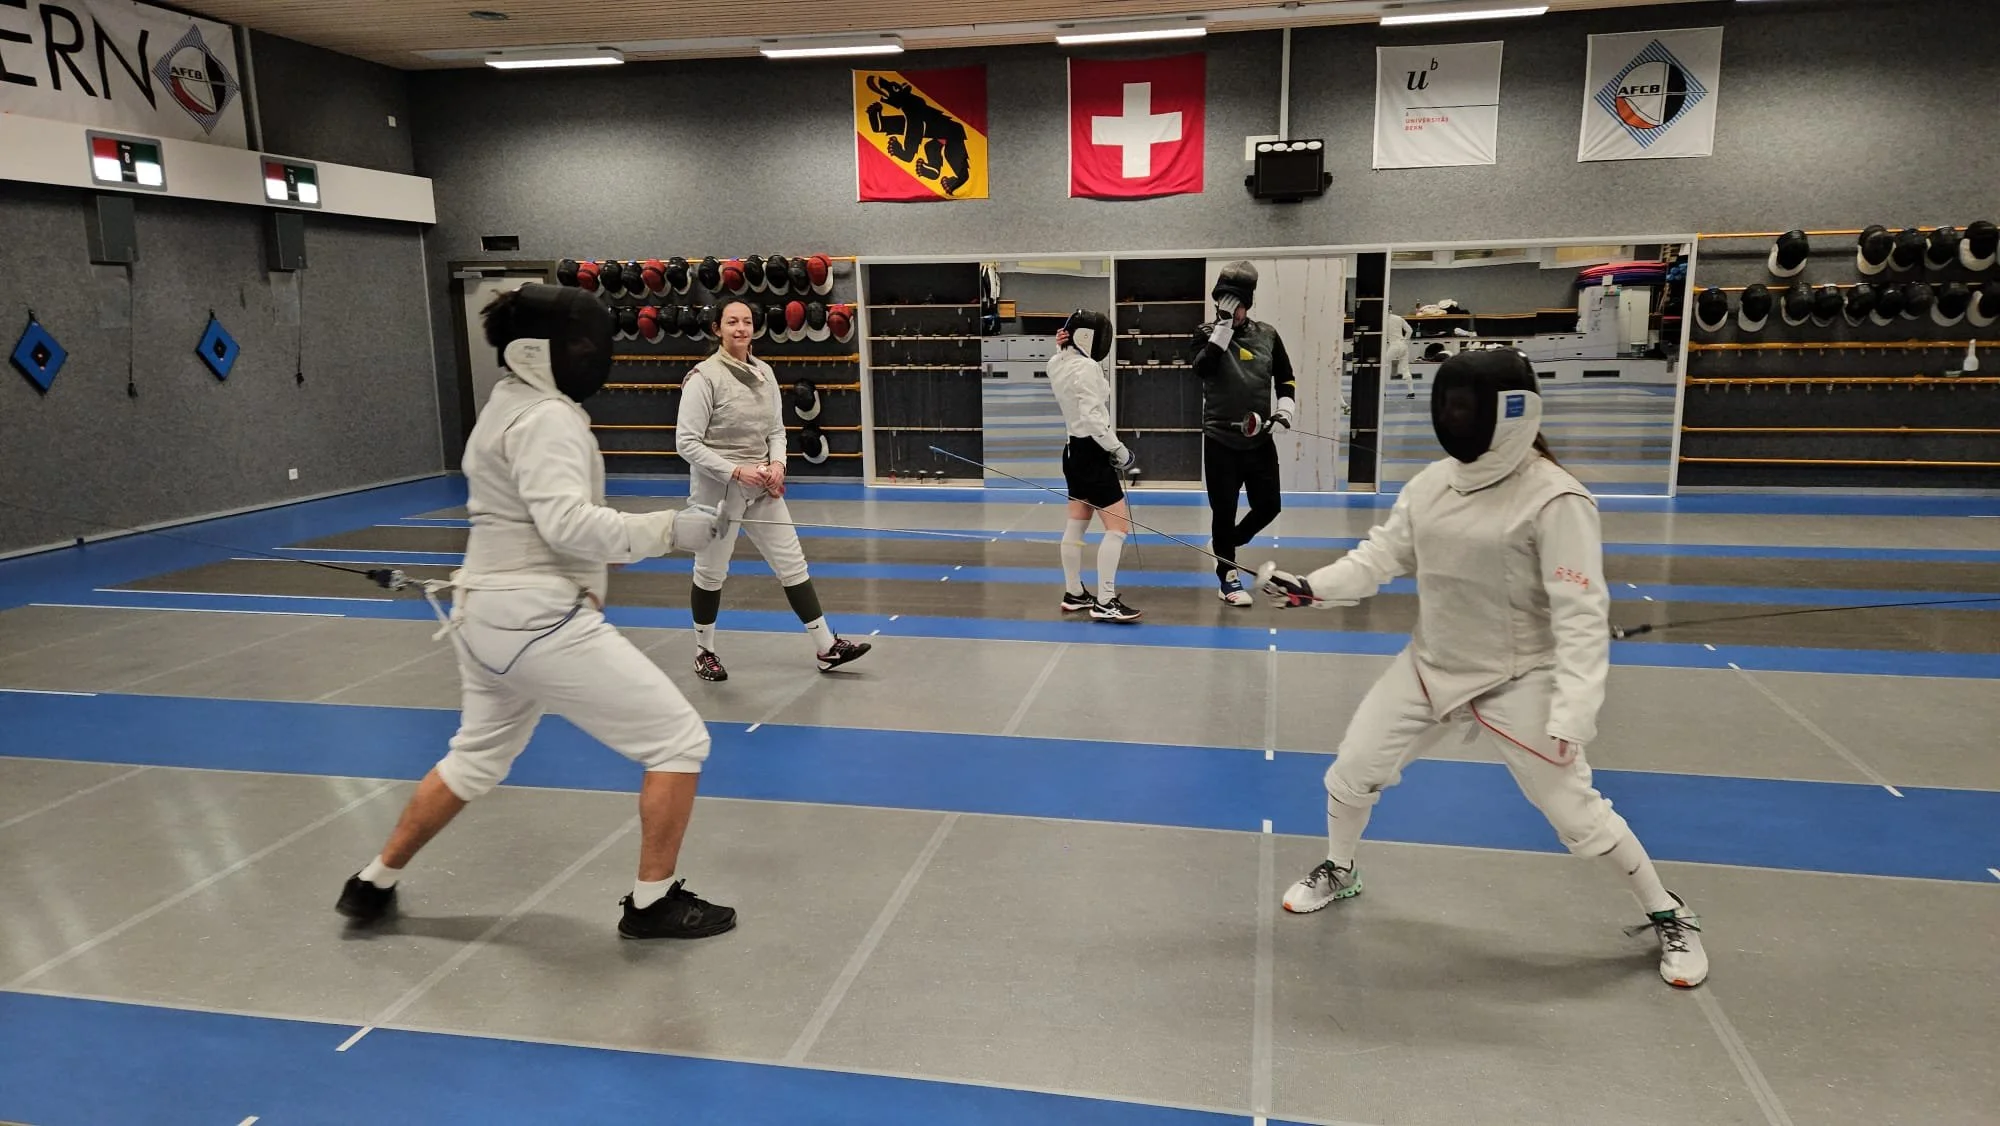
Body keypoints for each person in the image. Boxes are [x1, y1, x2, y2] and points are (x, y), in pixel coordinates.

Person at [1256, 348, 1708, 989]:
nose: (1454, 416)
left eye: (1466, 407)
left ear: (1510, 413)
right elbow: (1380, 556)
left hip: (1517, 677)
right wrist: (1314, 587)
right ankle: (1341, 869)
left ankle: (1671, 914)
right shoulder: (1432, 485)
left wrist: (1574, 710)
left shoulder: (1556, 499)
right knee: (1352, 772)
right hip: (1430, 665)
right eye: (1451, 404)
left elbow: (1581, 615)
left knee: (1577, 815)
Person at [336, 284, 736, 941]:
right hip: (535, 619)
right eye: (580, 344)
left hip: (483, 619)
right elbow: (568, 526)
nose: (592, 356)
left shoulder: (505, 404)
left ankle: (372, 883)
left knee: (476, 758)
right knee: (678, 740)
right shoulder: (546, 419)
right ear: (538, 353)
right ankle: (652, 902)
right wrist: (672, 531)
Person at [676, 297, 871, 682]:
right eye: (731, 322)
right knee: (711, 571)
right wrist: (735, 471)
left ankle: (826, 646)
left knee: (792, 563)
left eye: (746, 321)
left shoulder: (765, 372)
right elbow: (687, 442)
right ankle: (704, 652)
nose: (740, 328)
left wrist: (778, 465)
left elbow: (777, 431)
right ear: (717, 329)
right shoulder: (704, 377)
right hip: (718, 490)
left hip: (763, 486)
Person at [1194, 261, 1296, 607]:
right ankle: (1228, 577)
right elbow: (1202, 368)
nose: (1228, 309)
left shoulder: (1267, 334)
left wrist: (1284, 411)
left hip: (1259, 438)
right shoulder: (1205, 333)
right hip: (1220, 440)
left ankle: (1226, 545)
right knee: (1223, 511)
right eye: (1222, 301)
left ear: (1246, 304)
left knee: (1269, 506)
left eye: (1234, 303)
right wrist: (1221, 329)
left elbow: (1285, 378)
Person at [1049, 309, 1141, 623]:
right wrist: (1119, 450)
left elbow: (1091, 388)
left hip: (1072, 451)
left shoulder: (1056, 363)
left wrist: (1061, 348)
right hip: (1092, 449)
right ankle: (1105, 600)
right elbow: (1093, 418)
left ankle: (1074, 593)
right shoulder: (1086, 367)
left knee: (1077, 522)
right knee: (1117, 528)